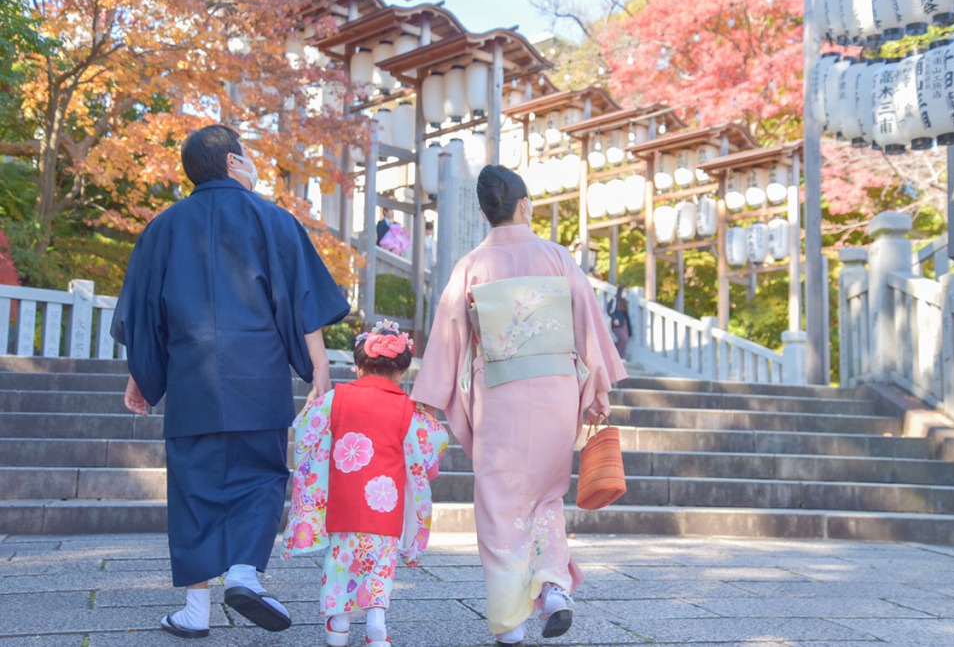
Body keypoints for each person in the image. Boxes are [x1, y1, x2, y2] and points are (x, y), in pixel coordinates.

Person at [111, 124, 351, 639]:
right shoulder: (273, 220)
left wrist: (142, 377)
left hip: (192, 374)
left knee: (193, 487)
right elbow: (302, 298)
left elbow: (143, 311)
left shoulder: (164, 227)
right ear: (233, 163)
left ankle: (195, 612)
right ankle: (244, 573)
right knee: (261, 473)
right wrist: (321, 370)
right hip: (257, 373)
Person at [410, 165, 626, 646]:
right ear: (524, 205)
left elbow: (448, 335)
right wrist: (599, 390)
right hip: (554, 390)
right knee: (546, 495)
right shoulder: (556, 257)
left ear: (487, 212)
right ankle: (552, 588)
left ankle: (510, 622)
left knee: (499, 502)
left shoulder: (471, 266)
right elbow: (588, 323)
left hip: (500, 395)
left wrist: (427, 399)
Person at [281, 319, 448, 647]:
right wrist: (431, 414)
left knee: (342, 562)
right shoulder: (407, 408)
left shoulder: (336, 398)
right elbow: (431, 445)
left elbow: (304, 431)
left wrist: (315, 398)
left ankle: (338, 627)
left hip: (345, 502)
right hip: (385, 506)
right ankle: (376, 624)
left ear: (359, 367)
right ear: (400, 373)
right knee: (379, 565)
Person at [606, 285, 633, 359]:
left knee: (625, 340)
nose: (625, 293)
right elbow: (609, 310)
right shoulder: (614, 300)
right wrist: (614, 318)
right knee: (623, 339)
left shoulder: (625, 301)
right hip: (617, 324)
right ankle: (619, 357)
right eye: (624, 291)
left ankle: (615, 354)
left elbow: (626, 315)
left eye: (626, 292)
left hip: (624, 324)